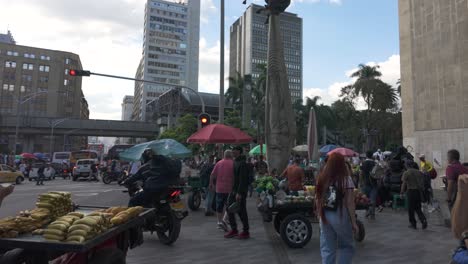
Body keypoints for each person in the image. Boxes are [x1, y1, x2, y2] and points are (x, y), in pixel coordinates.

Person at [315, 153, 357, 264]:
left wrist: (319, 215)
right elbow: (350, 203)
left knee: (327, 248)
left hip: (324, 216)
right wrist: (353, 223)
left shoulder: (322, 178)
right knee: (347, 246)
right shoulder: (346, 179)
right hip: (340, 215)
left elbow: (317, 199)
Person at [225, 146, 250, 239]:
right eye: (232, 151)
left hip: (240, 191)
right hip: (233, 190)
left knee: (242, 211)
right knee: (229, 208)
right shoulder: (235, 162)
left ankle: (246, 231)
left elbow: (243, 179)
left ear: (239, 151)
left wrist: (239, 193)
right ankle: (234, 229)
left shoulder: (243, 163)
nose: (232, 152)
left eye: (234, 151)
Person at [210, 150, 234, 231]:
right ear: (231, 155)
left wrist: (211, 184)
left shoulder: (219, 163)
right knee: (230, 205)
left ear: (224, 155)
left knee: (219, 205)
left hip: (219, 188)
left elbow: (212, 175)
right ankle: (224, 219)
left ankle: (219, 222)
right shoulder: (233, 163)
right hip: (230, 188)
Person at [400, 161, 427, 229]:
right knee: (418, 208)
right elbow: (422, 183)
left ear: (406, 165)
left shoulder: (406, 172)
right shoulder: (419, 172)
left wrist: (402, 192)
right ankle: (423, 220)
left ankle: (413, 223)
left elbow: (404, 184)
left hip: (411, 191)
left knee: (410, 208)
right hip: (418, 192)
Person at [360, 151, 377, 219]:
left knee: (365, 199)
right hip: (373, 184)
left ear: (366, 155)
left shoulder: (363, 163)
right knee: (373, 199)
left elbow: (360, 173)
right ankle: (372, 214)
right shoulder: (374, 163)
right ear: (372, 155)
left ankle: (367, 211)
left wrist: (360, 182)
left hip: (365, 183)